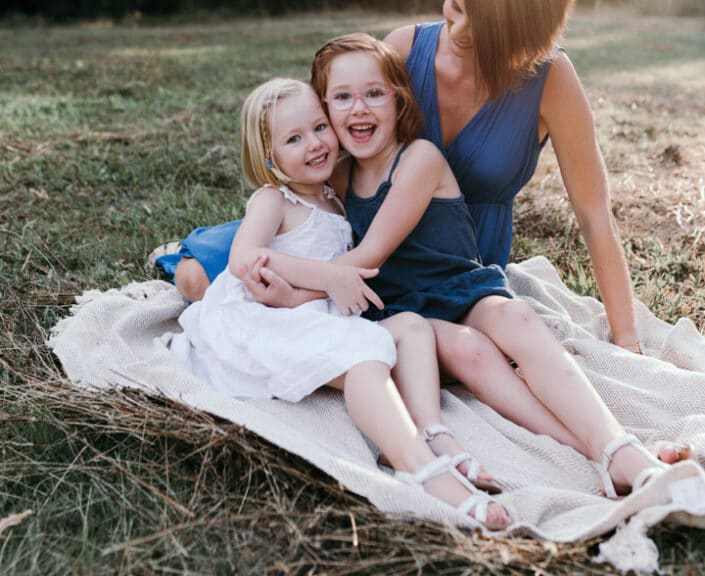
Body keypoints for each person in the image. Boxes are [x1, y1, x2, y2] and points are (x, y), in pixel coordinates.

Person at [156, 0, 642, 356]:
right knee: (196, 278)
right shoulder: (407, 47)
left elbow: (595, 216)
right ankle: (195, 248)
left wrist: (627, 340)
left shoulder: (550, 78)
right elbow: (336, 134)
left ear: (523, 31)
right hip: (355, 231)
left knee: (454, 349)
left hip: (449, 257)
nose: (459, 29)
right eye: (455, 6)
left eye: (483, 24)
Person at [247, 33, 694, 500]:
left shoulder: (418, 158)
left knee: (514, 316)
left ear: (398, 100)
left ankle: (616, 444)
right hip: (402, 310)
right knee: (472, 352)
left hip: (460, 287)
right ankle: (594, 452)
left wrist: (296, 287)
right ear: (325, 108)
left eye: (374, 94)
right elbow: (284, 212)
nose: (359, 108)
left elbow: (369, 255)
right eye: (342, 98)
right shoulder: (336, 175)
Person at [169, 77, 509, 528]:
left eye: (318, 128)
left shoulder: (334, 194)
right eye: (294, 139)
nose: (314, 144)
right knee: (365, 358)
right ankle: (418, 467)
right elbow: (244, 259)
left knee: (410, 327)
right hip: (264, 321)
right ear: (268, 158)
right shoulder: (273, 199)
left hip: (319, 315)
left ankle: (432, 431)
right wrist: (330, 277)